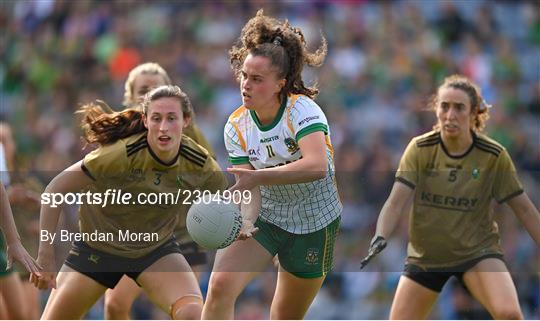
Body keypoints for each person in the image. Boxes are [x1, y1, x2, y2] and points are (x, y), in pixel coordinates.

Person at [30, 85, 228, 319]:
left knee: (193, 313)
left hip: (154, 249)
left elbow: (224, 205)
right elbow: (55, 188)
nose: (163, 127)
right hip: (98, 249)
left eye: (171, 118)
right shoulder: (120, 154)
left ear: (186, 121)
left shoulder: (200, 162)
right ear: (145, 121)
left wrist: (238, 225)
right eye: (156, 118)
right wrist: (45, 254)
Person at [202, 10, 342, 319]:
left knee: (284, 316)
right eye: (244, 76)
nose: (246, 85)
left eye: (257, 79)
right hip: (267, 216)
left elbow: (317, 165)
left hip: (314, 223)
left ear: (280, 83)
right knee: (219, 286)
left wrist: (260, 179)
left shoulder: (303, 112)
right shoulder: (236, 126)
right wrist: (248, 221)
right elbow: (248, 186)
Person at [365, 74, 540, 319]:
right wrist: (381, 234)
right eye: (444, 106)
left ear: (474, 113)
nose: (450, 114)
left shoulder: (493, 155)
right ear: (436, 109)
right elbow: (395, 202)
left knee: (509, 313)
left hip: (477, 253)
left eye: (459, 107)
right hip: (427, 256)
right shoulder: (420, 148)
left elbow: (524, 210)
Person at [104, 62, 215, 319]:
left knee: (181, 310)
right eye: (143, 89)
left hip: (183, 237)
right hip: (137, 238)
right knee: (114, 304)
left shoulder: (187, 132)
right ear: (130, 97)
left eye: (157, 88)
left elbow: (211, 179)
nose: (150, 94)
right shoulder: (120, 139)